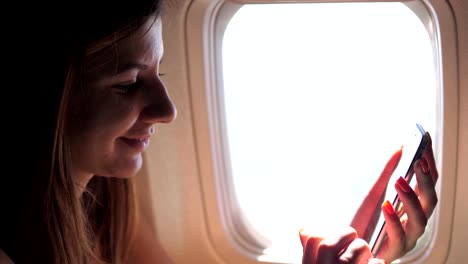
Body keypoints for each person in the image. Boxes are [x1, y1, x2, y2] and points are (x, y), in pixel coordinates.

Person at [0, 0, 438, 263]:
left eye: (160, 73)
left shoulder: (103, 210)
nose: (167, 110)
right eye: (128, 83)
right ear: (46, 96)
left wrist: (363, 249)